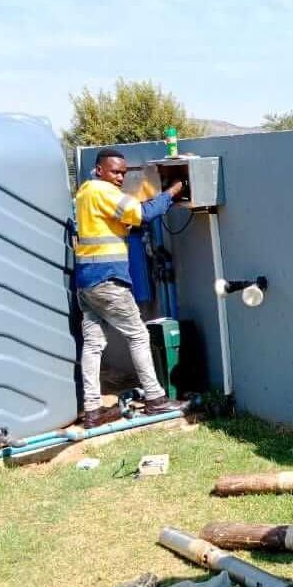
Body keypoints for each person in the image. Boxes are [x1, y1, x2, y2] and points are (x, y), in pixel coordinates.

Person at [74, 148, 189, 429]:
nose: (120, 178)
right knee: (138, 336)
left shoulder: (85, 192)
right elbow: (143, 213)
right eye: (115, 171)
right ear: (99, 170)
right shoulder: (104, 191)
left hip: (87, 281)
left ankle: (92, 411)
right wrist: (173, 191)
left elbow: (120, 221)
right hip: (109, 280)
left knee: (93, 344)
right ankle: (155, 399)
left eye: (124, 173)